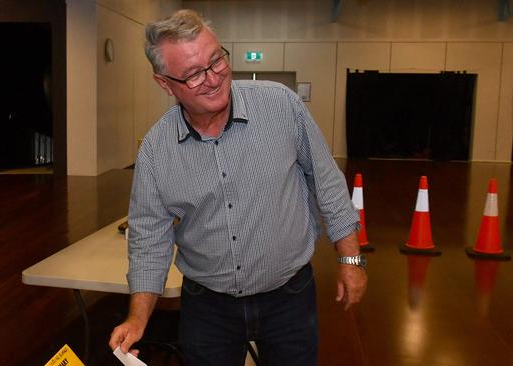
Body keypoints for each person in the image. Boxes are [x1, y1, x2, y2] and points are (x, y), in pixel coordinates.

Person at [109, 9, 367, 365]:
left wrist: (351, 260)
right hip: (208, 307)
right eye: (193, 75)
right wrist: (138, 318)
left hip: (289, 296)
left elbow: (328, 184)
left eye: (216, 60)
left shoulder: (281, 106)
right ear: (165, 83)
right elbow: (148, 238)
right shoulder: (156, 149)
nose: (213, 78)